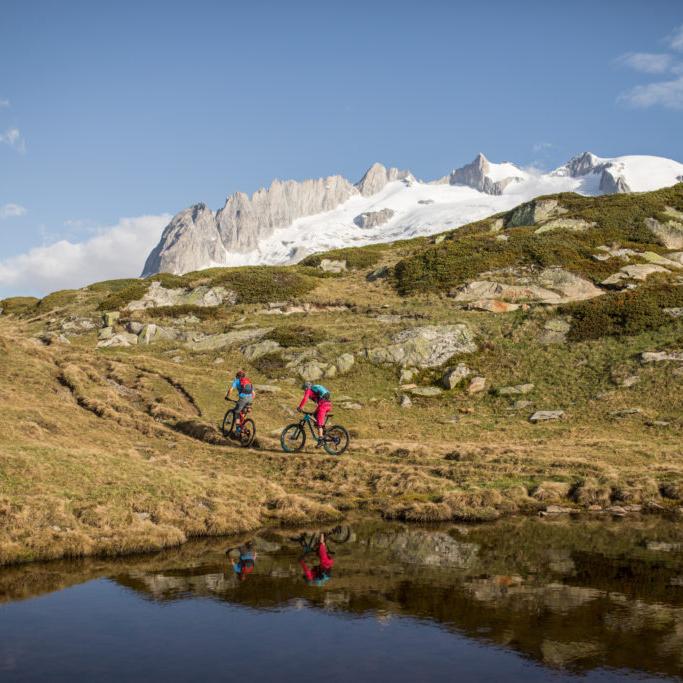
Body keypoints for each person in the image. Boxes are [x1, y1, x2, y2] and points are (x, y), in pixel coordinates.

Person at [297, 381, 332, 448]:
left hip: (323, 406)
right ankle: (323, 431)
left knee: (319, 424)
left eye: (304, 388)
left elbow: (305, 398)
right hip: (328, 405)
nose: (304, 390)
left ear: (306, 387)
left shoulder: (309, 390)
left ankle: (320, 440)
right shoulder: (315, 391)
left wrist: (300, 407)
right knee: (315, 415)